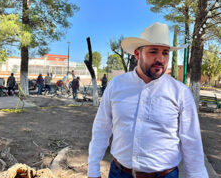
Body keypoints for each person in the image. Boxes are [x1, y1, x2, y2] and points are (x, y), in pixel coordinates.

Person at [88, 22, 208, 178]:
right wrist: (92, 170)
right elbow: (101, 129)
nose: (160, 59)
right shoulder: (116, 85)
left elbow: (192, 142)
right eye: (153, 51)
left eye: (165, 53)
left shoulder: (180, 92)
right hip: (120, 173)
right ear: (137, 54)